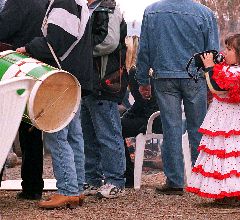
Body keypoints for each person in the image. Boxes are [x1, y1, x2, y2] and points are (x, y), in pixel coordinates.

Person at [136, 0, 219, 195]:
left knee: (171, 128)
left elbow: (144, 48)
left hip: (164, 75)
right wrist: (212, 81)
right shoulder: (204, 13)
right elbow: (212, 51)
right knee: (198, 128)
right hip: (195, 77)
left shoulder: (152, 11)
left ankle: (174, 181)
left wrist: (142, 79)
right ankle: (202, 179)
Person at [15, 0, 93, 208]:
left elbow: (55, 42)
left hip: (60, 78)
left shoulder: (63, 3)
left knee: (57, 135)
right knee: (74, 136)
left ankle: (67, 189)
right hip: (74, 77)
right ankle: (77, 190)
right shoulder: (77, 3)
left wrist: (28, 48)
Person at [186, 33, 240, 205]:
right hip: (225, 115)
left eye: (228, 49)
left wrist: (209, 68)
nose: (224, 52)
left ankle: (232, 191)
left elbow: (217, 88)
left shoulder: (238, 72)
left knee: (230, 152)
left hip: (229, 117)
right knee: (234, 153)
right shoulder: (233, 69)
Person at [0, 0, 49, 200]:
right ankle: (33, 186)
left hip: (13, 69)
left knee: (3, 129)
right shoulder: (46, 2)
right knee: (31, 131)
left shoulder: (17, 2)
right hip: (37, 70)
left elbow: (3, 29)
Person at [81, 0, 128, 199]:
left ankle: (115, 181)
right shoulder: (91, 8)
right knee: (89, 133)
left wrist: (79, 51)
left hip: (104, 80)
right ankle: (92, 179)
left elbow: (109, 42)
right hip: (90, 81)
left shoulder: (108, 8)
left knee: (108, 132)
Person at [121, 67, 162, 188]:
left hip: (155, 120)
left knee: (115, 129)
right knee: (116, 127)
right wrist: (127, 115)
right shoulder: (138, 71)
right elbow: (140, 103)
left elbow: (152, 103)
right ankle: (127, 175)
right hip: (154, 118)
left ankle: (127, 176)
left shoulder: (140, 72)